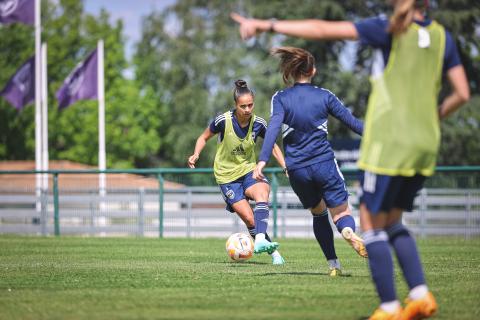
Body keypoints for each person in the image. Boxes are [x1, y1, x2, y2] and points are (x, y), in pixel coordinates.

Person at [232, 0, 470, 319]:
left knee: (364, 220)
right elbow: (462, 94)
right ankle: (418, 292)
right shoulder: (443, 37)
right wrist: (430, 119)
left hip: (359, 151)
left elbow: (323, 29)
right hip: (422, 141)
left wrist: (268, 24)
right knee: (385, 219)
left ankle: (384, 304)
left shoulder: (390, 28)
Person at [252, 46, 367, 278]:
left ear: (292, 71)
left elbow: (273, 128)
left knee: (318, 213)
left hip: (297, 170)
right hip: (324, 163)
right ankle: (346, 230)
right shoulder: (324, 95)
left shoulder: (280, 98)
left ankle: (334, 264)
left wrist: (263, 160)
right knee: (341, 212)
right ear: (312, 70)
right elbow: (353, 123)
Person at [188, 79, 287, 265]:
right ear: (236, 105)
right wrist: (196, 154)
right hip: (227, 177)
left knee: (263, 192)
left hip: (248, 170)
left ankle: (260, 242)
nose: (248, 109)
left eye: (251, 105)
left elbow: (272, 146)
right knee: (250, 219)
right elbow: (203, 137)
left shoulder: (259, 123)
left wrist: (285, 166)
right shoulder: (223, 121)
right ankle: (273, 253)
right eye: (243, 106)